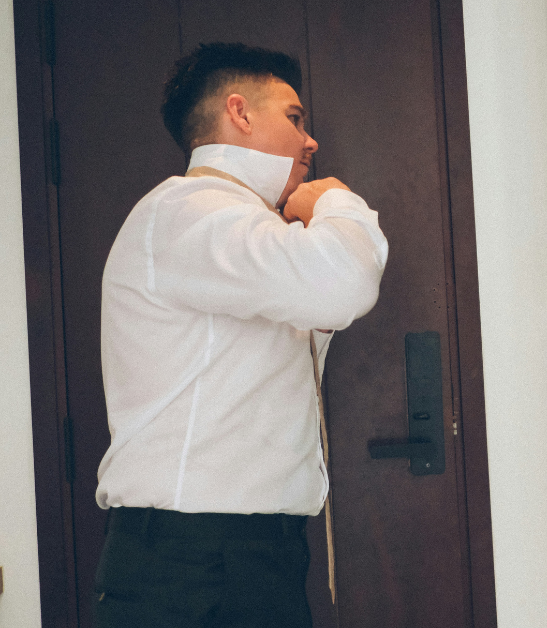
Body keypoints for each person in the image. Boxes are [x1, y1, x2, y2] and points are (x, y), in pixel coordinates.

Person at [91, 42, 388, 627]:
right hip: (191, 565)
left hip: (247, 560)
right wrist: (332, 199)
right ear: (240, 112)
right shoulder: (190, 210)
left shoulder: (247, 230)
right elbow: (346, 282)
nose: (310, 142)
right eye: (295, 119)